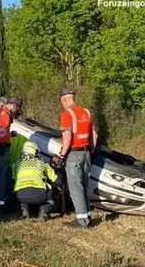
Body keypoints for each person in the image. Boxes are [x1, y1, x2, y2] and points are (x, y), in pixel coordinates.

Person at [53, 88, 99, 228]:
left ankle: (81, 220)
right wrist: (91, 150)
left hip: (74, 154)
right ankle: (87, 216)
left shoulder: (67, 114)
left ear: (64, 99)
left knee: (75, 188)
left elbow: (67, 138)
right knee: (84, 186)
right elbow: (95, 134)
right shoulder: (86, 112)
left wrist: (62, 156)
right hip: (86, 153)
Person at [13, 141, 59, 221]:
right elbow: (55, 180)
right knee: (51, 192)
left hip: (21, 196)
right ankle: (44, 211)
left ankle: (24, 209)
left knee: (22, 191)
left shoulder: (16, 164)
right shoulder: (42, 163)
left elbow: (14, 179)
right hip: (39, 195)